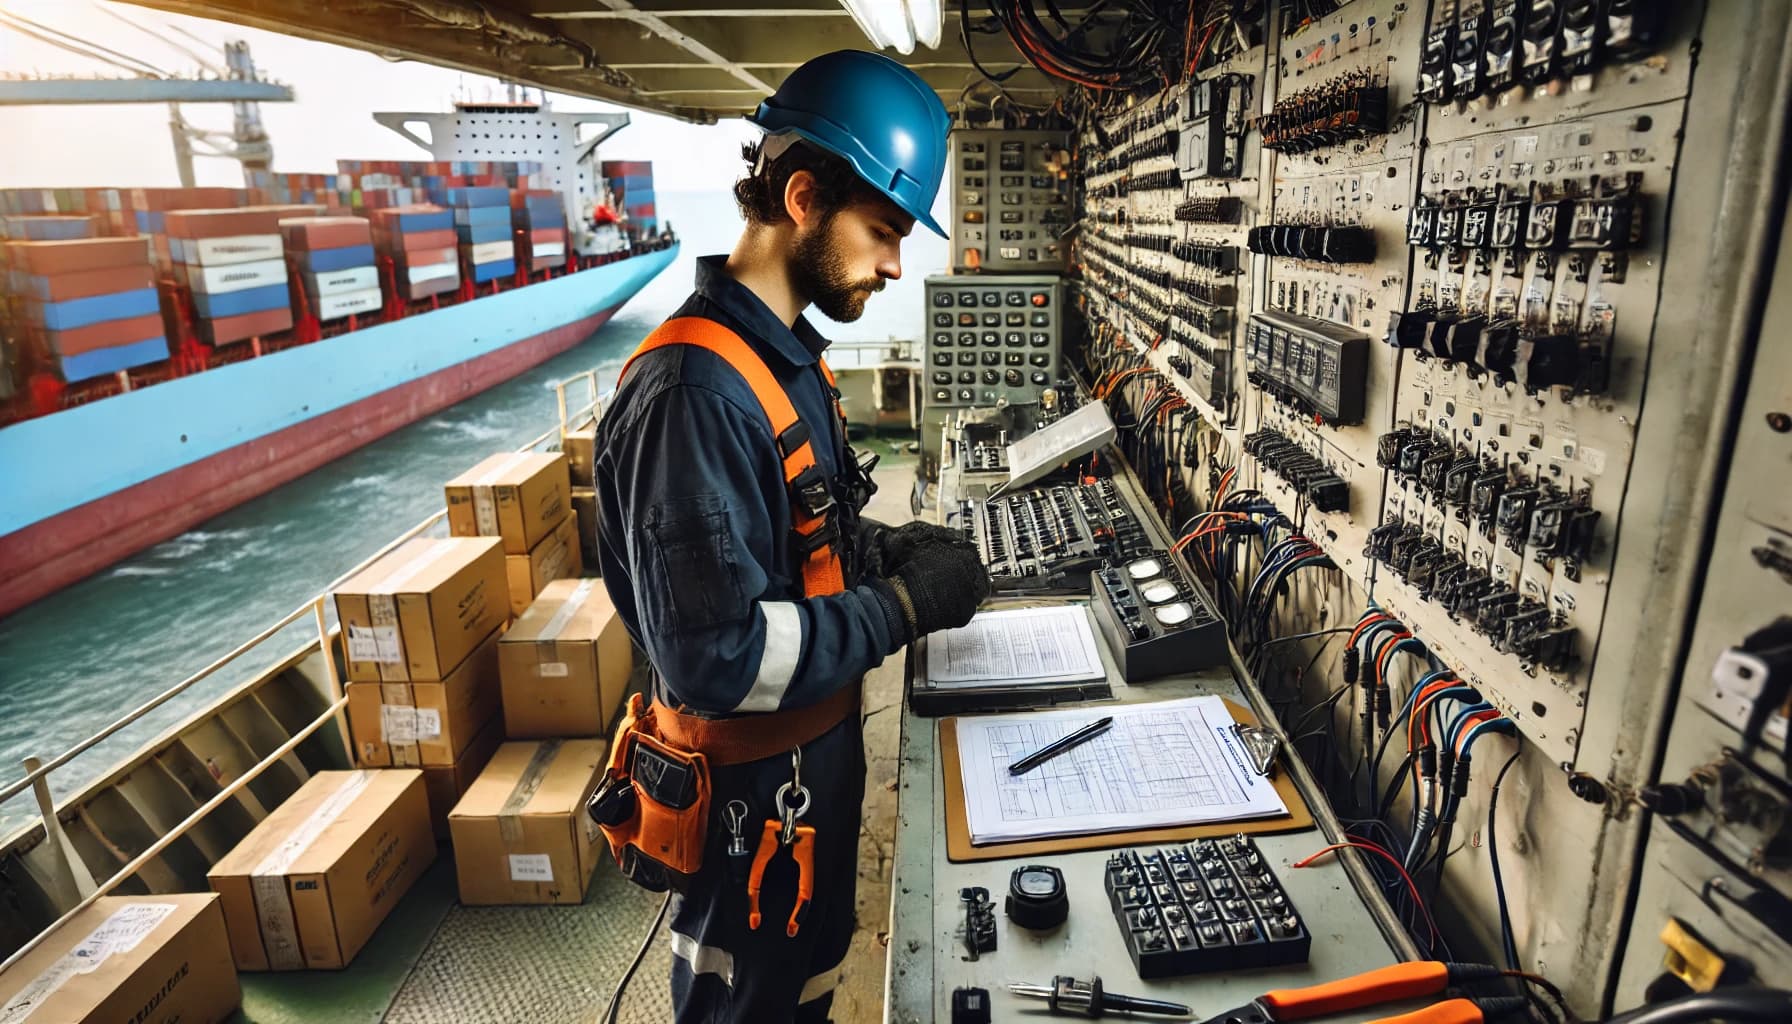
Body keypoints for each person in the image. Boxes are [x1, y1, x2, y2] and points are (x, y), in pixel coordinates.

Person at [592, 50, 993, 1023]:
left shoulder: (782, 362)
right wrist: (901, 606)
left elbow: (796, 542)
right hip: (744, 804)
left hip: (802, 775)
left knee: (804, 989)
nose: (896, 264)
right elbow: (717, 660)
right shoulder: (693, 393)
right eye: (884, 231)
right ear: (804, 196)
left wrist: (883, 551)